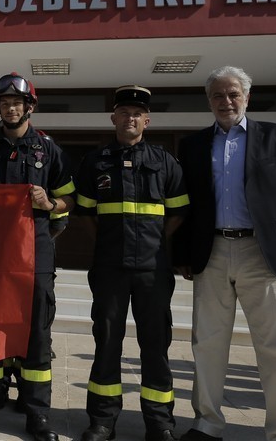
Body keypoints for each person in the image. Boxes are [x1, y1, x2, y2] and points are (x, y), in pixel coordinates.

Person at [174, 66, 276, 441]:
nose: (226, 102)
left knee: (275, 350)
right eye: (218, 95)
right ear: (209, 101)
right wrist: (183, 253)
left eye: (233, 94)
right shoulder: (194, 145)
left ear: (247, 97)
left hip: (261, 254)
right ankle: (208, 423)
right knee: (207, 344)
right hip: (212, 252)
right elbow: (188, 206)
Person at [0, 72, 75, 441]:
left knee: (36, 335)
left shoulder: (48, 150)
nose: (10, 108)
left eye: (17, 102)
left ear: (29, 107)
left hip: (36, 253)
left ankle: (37, 415)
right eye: (4, 103)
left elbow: (69, 199)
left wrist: (50, 203)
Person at [74, 86, 187, 441]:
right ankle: (102, 420)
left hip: (153, 269)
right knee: (107, 341)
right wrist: (109, 246)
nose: (130, 118)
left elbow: (179, 212)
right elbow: (86, 214)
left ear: (147, 121)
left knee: (156, 343)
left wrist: (154, 244)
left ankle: (159, 423)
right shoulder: (96, 160)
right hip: (110, 268)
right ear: (114, 118)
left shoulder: (165, 161)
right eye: (124, 112)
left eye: (137, 114)